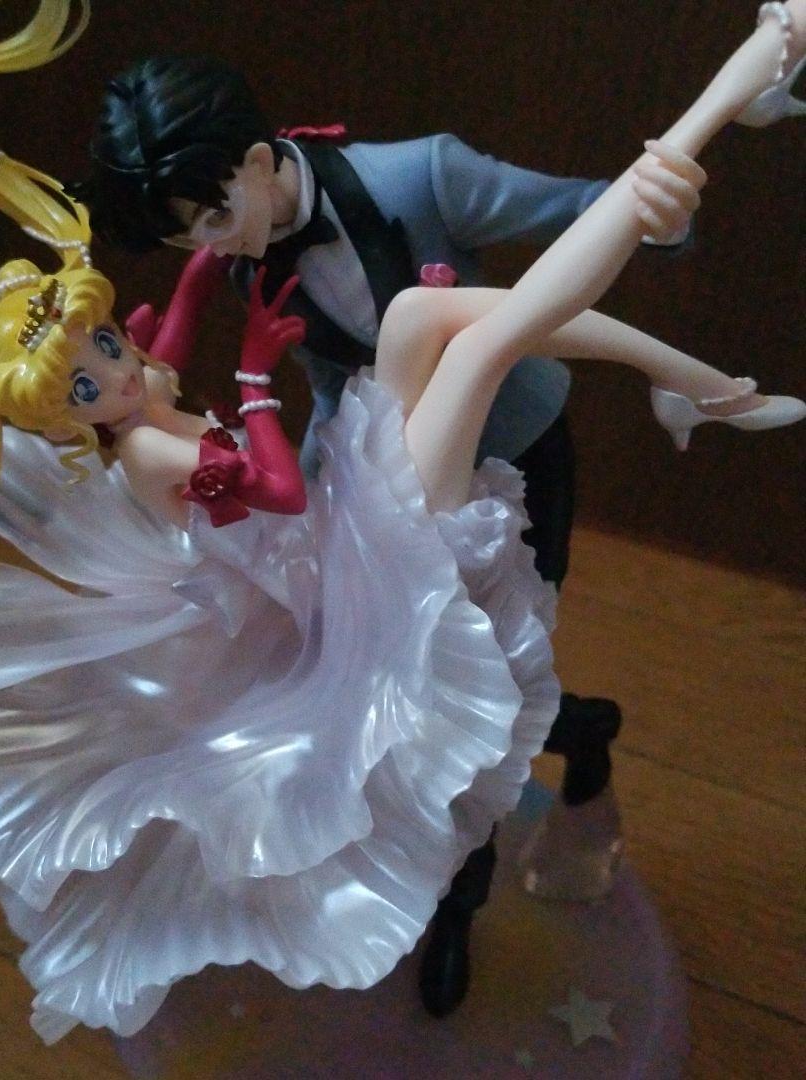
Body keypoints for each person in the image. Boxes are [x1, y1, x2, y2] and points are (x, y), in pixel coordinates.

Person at [0, 0, 804, 1044]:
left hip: (465, 462)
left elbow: (566, 209)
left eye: (109, 346)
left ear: (254, 160)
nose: (121, 362)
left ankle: (692, 358)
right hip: (348, 534)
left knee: (437, 323)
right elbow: (271, 488)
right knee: (475, 368)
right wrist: (248, 380)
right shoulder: (152, 437)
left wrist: (665, 212)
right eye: (91, 380)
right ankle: (730, 141)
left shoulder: (391, 187)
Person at [75, 33, 700, 1014]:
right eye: (184, 236)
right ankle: (498, 818)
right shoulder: (233, 253)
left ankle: (487, 865)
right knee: (384, 707)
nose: (209, 245)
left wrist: (662, 215)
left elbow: (589, 212)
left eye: (213, 217)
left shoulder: (420, 176)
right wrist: (320, 508)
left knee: (482, 690)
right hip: (376, 474)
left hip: (510, 457)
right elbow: (317, 382)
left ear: (256, 160)